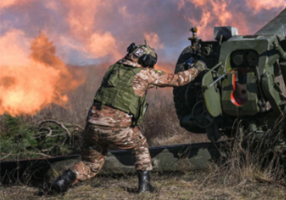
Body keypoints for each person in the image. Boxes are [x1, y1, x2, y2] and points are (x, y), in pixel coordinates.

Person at [51, 42, 207, 194]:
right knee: (140, 144)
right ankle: (145, 187)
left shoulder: (114, 68)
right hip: (116, 128)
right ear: (147, 61)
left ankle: (63, 181)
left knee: (91, 164)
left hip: (92, 125)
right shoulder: (145, 74)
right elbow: (179, 80)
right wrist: (198, 68)